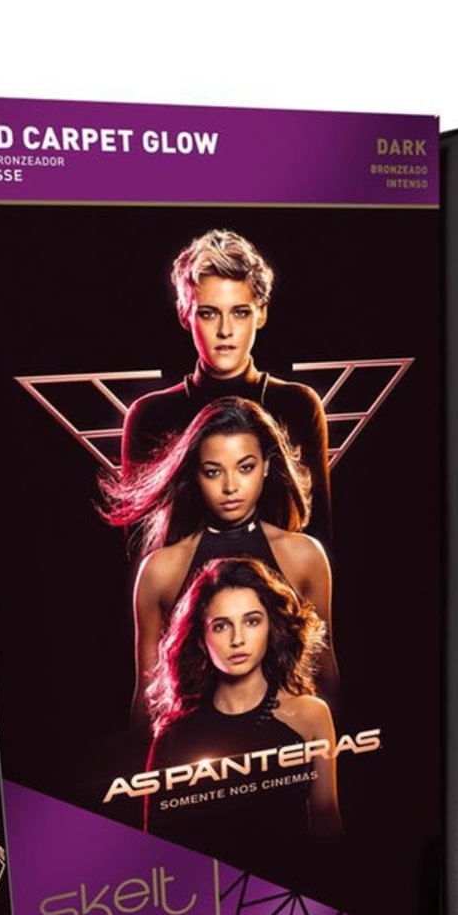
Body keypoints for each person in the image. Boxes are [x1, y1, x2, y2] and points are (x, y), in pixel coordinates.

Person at [102, 397, 336, 726]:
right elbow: (147, 699)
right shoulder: (161, 570)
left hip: (285, 745)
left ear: (266, 466)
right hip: (197, 747)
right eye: (213, 472)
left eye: (245, 467)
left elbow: (325, 676)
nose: (230, 486)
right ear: (196, 474)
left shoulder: (303, 556)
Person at [122, 229, 333, 545]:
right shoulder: (151, 416)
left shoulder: (296, 406)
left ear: (261, 313)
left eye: (240, 312)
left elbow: (318, 539)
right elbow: (139, 551)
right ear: (185, 315)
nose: (225, 330)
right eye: (209, 313)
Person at [144, 557, 342, 849]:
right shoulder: (173, 737)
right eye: (221, 626)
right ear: (201, 640)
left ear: (270, 627)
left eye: (252, 621)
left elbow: (327, 826)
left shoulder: (310, 716)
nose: (238, 639)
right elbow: (157, 847)